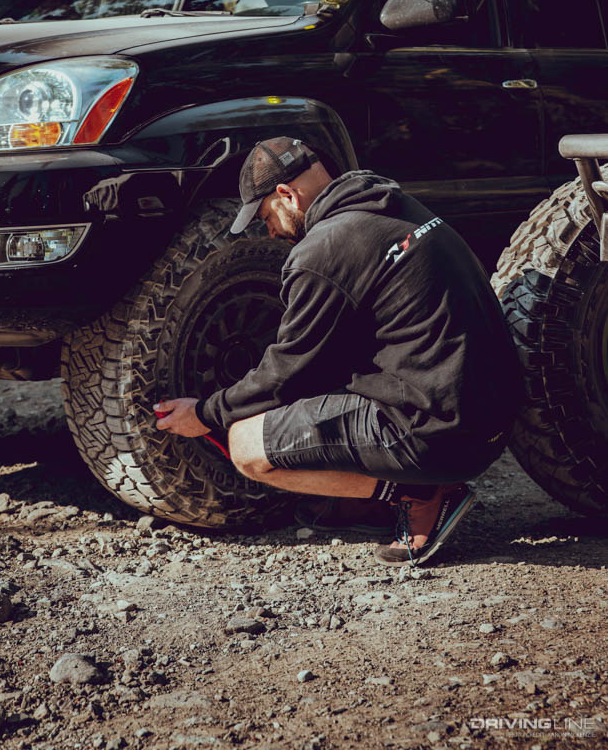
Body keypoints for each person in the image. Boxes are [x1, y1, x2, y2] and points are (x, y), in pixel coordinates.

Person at [154, 137, 522, 565]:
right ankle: (386, 489)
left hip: (440, 433)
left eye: (266, 216)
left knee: (246, 446)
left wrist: (205, 414)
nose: (268, 230)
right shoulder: (393, 204)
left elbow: (285, 373)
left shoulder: (324, 249)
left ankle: (419, 491)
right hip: (493, 422)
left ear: (287, 196)